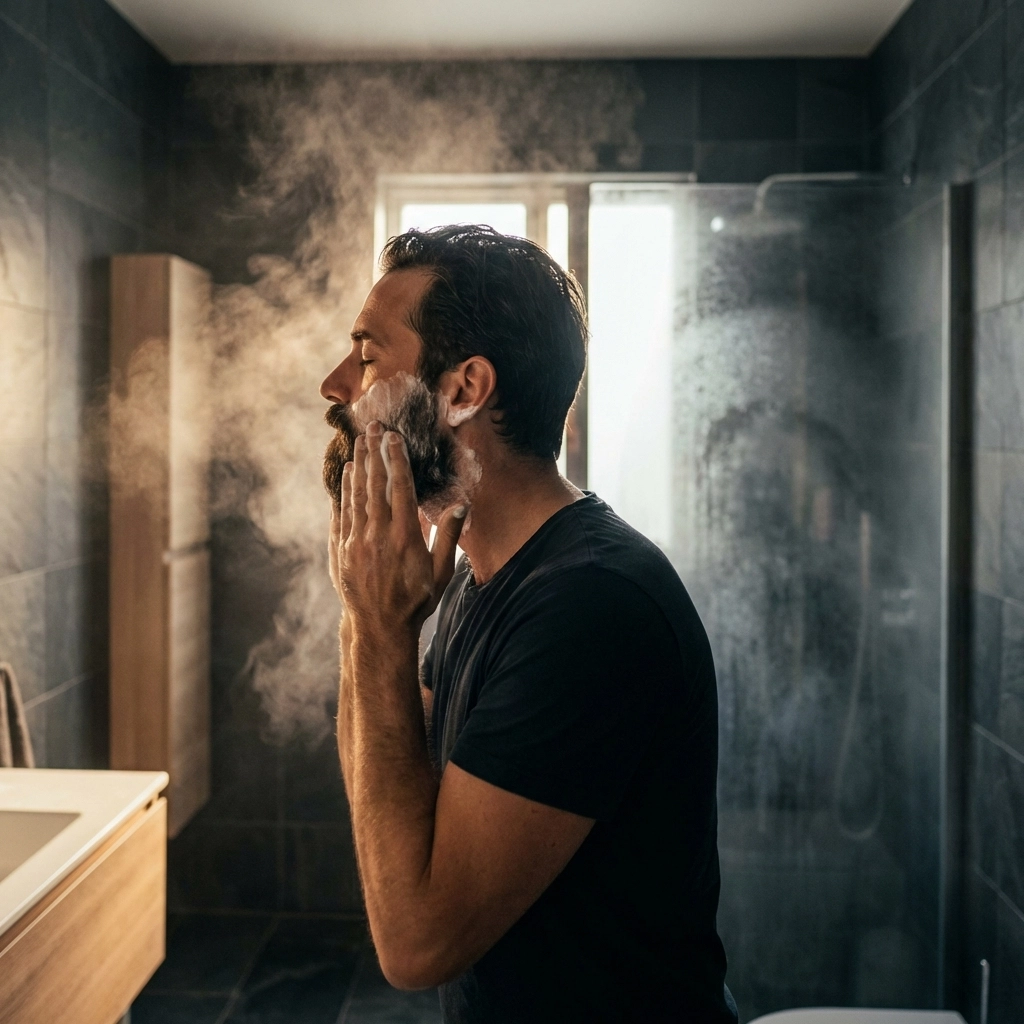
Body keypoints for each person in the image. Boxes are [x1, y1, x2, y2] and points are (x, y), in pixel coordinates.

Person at [320, 224, 736, 1024]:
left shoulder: (592, 606)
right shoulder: (484, 572)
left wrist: (377, 629)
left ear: (465, 387)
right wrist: (366, 613)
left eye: (368, 355)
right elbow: (417, 797)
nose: (336, 385)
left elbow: (415, 942)